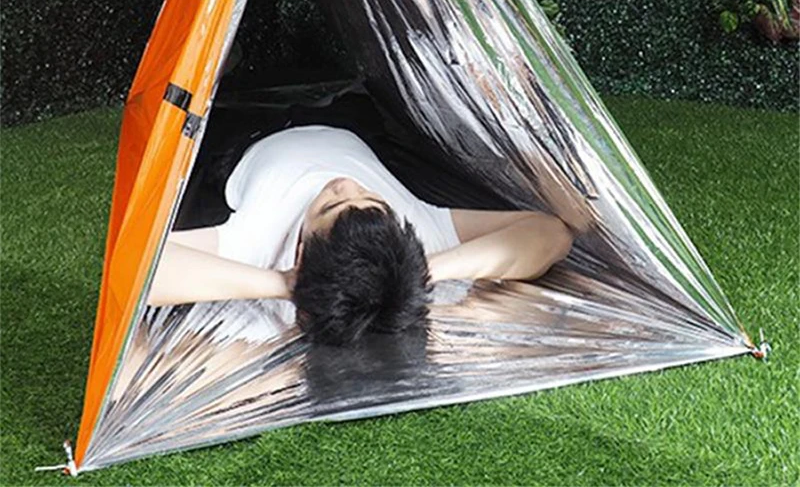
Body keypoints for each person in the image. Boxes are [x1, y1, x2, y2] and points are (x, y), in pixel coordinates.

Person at [148, 124, 582, 345]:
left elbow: (138, 268)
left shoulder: (255, 241)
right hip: (349, 119)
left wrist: (285, 283)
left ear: (301, 253)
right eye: (370, 198)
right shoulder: (413, 233)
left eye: (330, 205)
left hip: (252, 131)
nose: (346, 184)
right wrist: (417, 271)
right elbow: (550, 234)